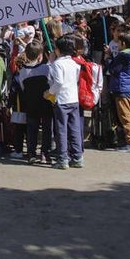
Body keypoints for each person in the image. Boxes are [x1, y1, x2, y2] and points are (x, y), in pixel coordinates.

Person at [47, 35, 83, 169]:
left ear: (58, 50)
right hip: (73, 98)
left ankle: (63, 158)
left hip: (61, 100)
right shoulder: (74, 63)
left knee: (61, 130)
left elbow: (58, 82)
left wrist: (49, 92)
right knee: (74, 129)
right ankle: (77, 157)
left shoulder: (57, 64)